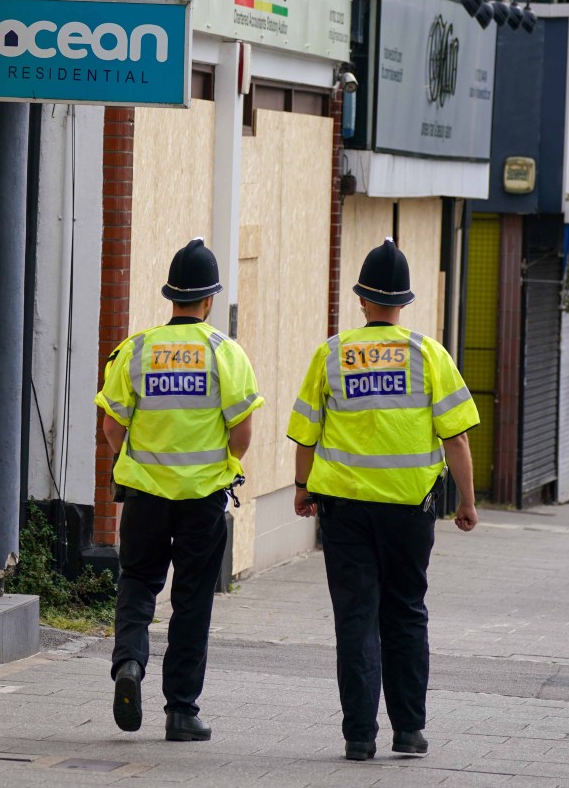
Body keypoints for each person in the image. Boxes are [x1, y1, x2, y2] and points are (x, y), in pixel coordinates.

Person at [286, 237, 479, 762]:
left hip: (344, 511)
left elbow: (306, 433)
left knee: (355, 616)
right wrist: (467, 500)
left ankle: (358, 736)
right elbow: (456, 437)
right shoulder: (428, 354)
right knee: (406, 613)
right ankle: (410, 731)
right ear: (404, 303)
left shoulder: (332, 353)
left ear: (363, 300)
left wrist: (303, 489)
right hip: (409, 511)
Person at [96, 237, 263, 742]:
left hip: (145, 496)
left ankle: (129, 663)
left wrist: (142, 459)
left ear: (172, 295)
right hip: (202, 501)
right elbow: (243, 434)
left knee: (138, 583)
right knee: (192, 600)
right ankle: (181, 711)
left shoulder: (137, 349)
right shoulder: (225, 353)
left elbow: (111, 426)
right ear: (209, 299)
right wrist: (220, 465)